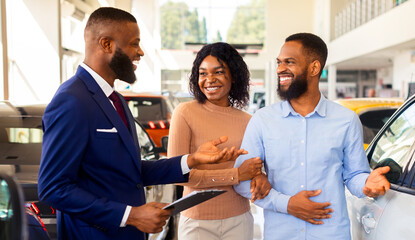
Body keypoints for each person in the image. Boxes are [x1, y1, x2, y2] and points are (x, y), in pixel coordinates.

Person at [37, 8, 245, 240]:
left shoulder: (115, 100)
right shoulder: (72, 99)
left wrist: (192, 159)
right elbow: (53, 188)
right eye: (134, 44)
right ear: (107, 44)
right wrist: (131, 215)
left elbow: (131, 171)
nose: (141, 52)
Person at [233, 33, 391, 240]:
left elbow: (353, 175)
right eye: (279, 63)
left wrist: (367, 185)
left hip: (331, 233)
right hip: (281, 235)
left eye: (289, 62)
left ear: (314, 68)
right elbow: (242, 181)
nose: (280, 69)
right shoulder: (262, 121)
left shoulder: (346, 120)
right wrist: (287, 204)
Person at [168, 42, 271, 240]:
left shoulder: (248, 120)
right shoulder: (185, 113)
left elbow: (255, 168)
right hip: (197, 222)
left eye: (218, 72)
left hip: (239, 220)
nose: (209, 80)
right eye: (203, 73)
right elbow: (176, 174)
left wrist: (260, 176)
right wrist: (235, 175)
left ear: (234, 75)